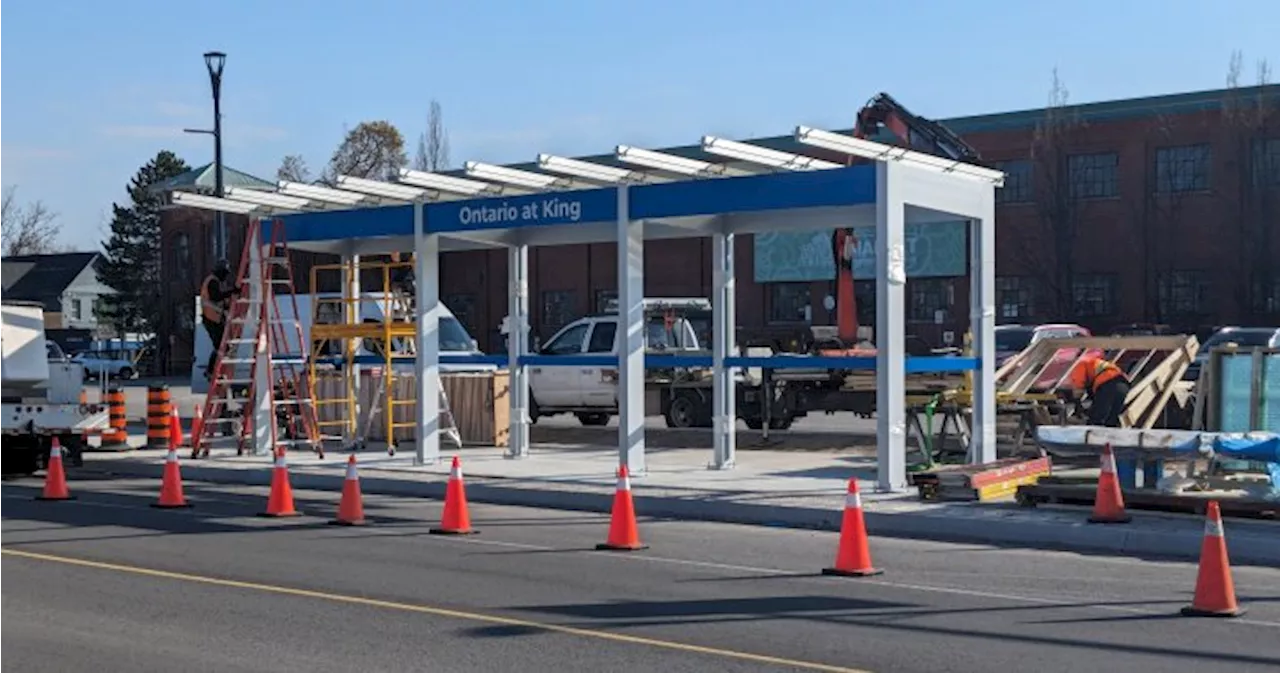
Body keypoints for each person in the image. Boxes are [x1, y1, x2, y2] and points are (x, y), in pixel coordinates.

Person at [1067, 353, 1131, 427]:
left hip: (1108, 383)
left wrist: (1077, 402)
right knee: (1111, 420)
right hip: (1123, 384)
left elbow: (1078, 385)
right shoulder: (1095, 362)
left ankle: (1091, 436)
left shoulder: (1080, 363)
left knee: (1096, 419)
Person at [200, 259, 235, 379]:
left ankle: (214, 371)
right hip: (211, 319)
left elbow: (220, 301)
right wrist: (231, 292)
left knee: (222, 346)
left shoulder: (215, 282)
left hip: (215, 319)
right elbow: (216, 297)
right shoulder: (212, 282)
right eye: (225, 273)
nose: (226, 276)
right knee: (220, 346)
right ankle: (211, 371)